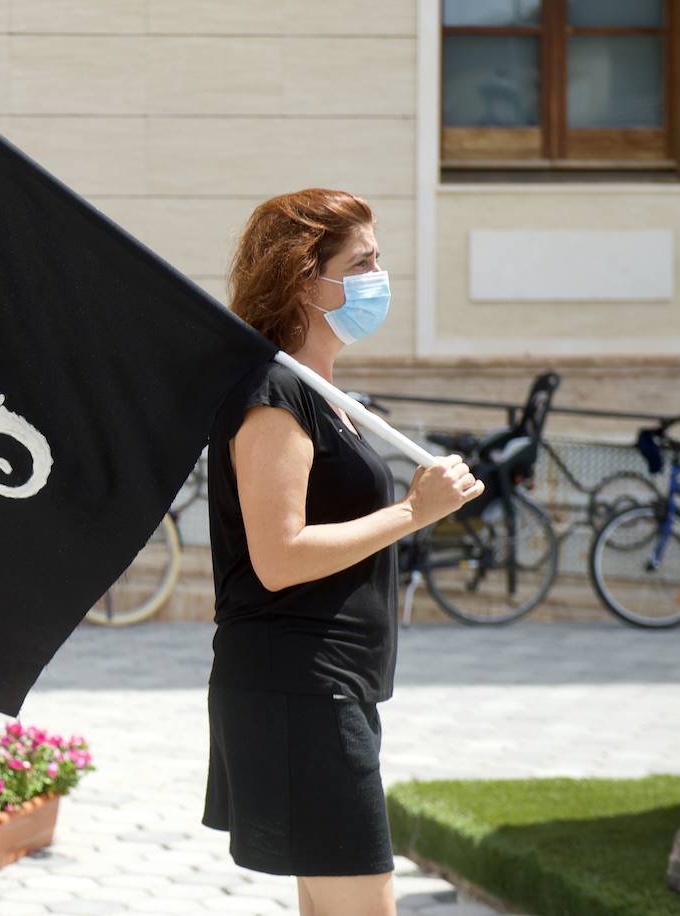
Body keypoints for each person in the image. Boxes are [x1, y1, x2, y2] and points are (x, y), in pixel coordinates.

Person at [204, 189, 484, 916]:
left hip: (328, 687)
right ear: (304, 278)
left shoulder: (324, 394)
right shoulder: (274, 392)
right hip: (300, 688)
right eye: (360, 262)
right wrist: (413, 512)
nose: (377, 277)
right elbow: (280, 556)